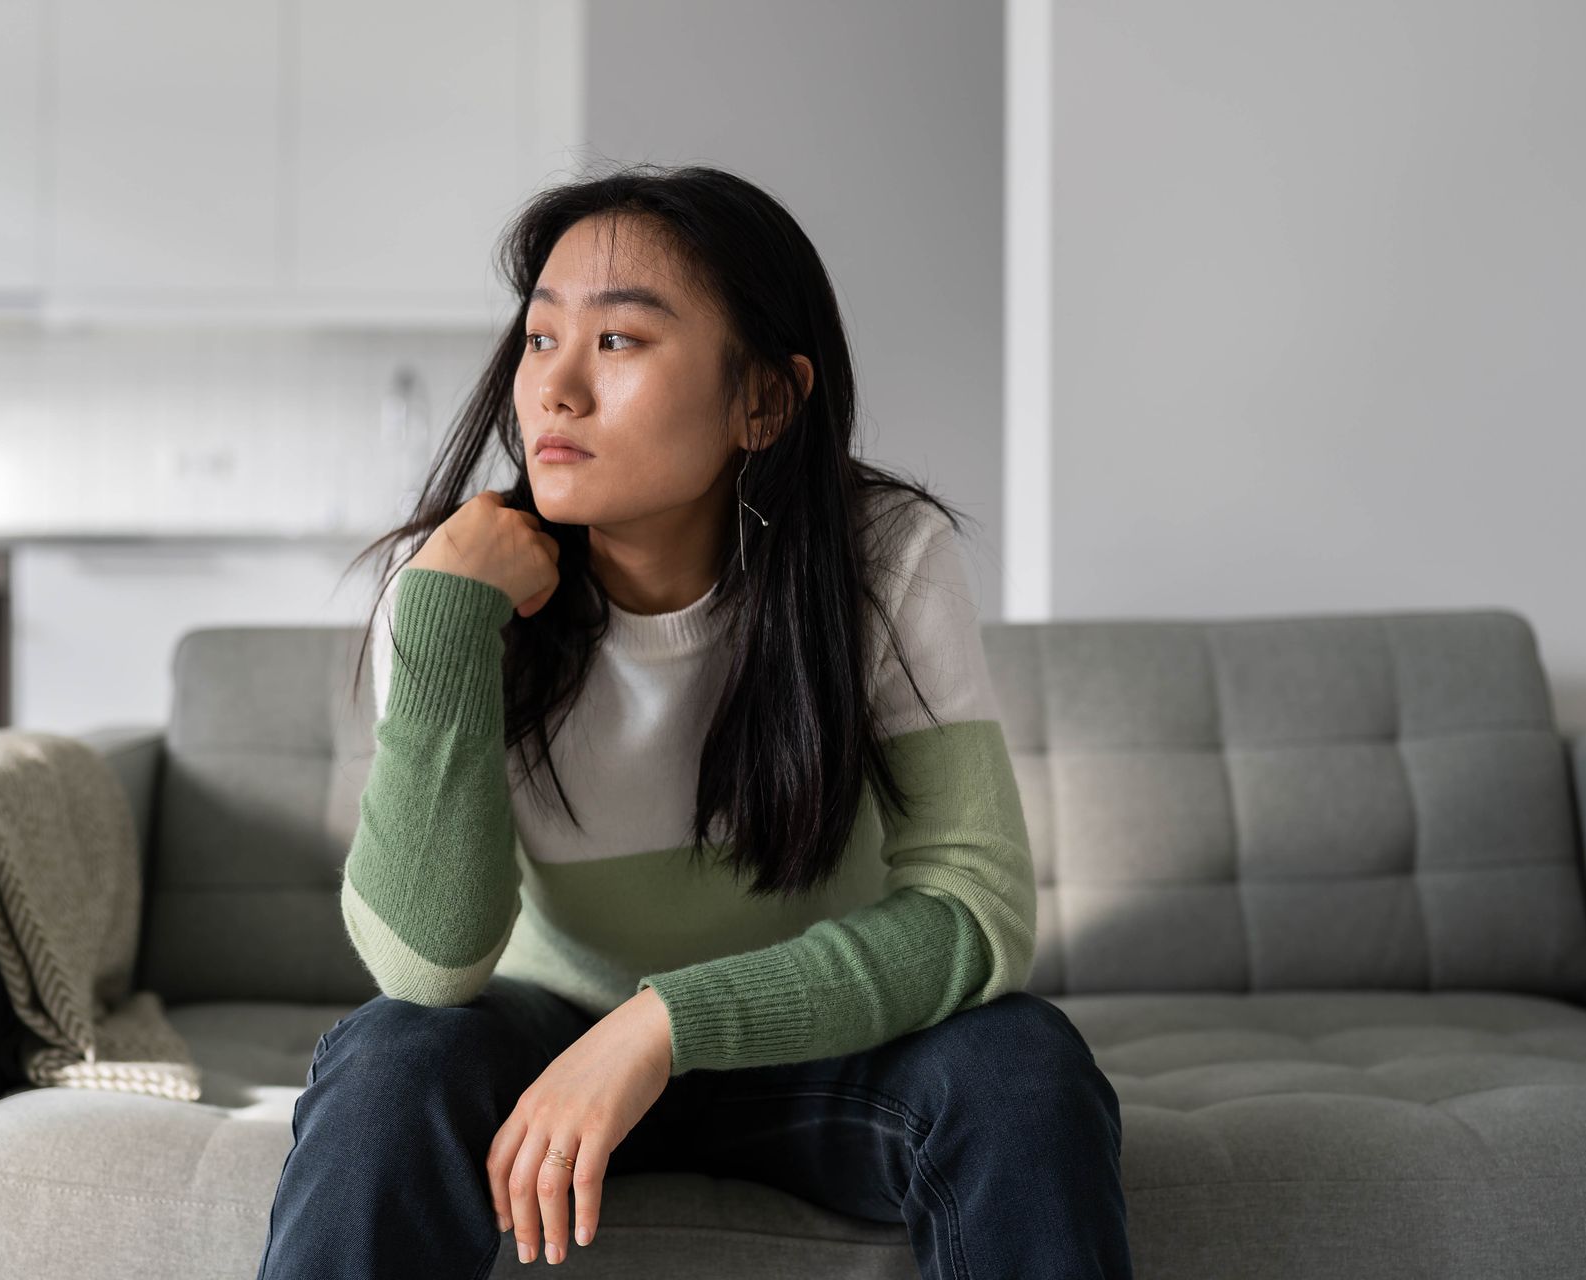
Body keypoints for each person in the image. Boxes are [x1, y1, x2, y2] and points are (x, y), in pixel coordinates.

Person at [255, 161, 1130, 1278]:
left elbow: (977, 908)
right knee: (390, 1061)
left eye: (618, 341)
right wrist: (440, 617)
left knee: (1023, 1065)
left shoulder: (883, 559)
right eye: (539, 339)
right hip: (545, 1061)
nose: (554, 391)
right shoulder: (453, 586)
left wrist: (664, 1023)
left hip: (818, 1046)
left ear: (762, 398)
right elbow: (427, 970)